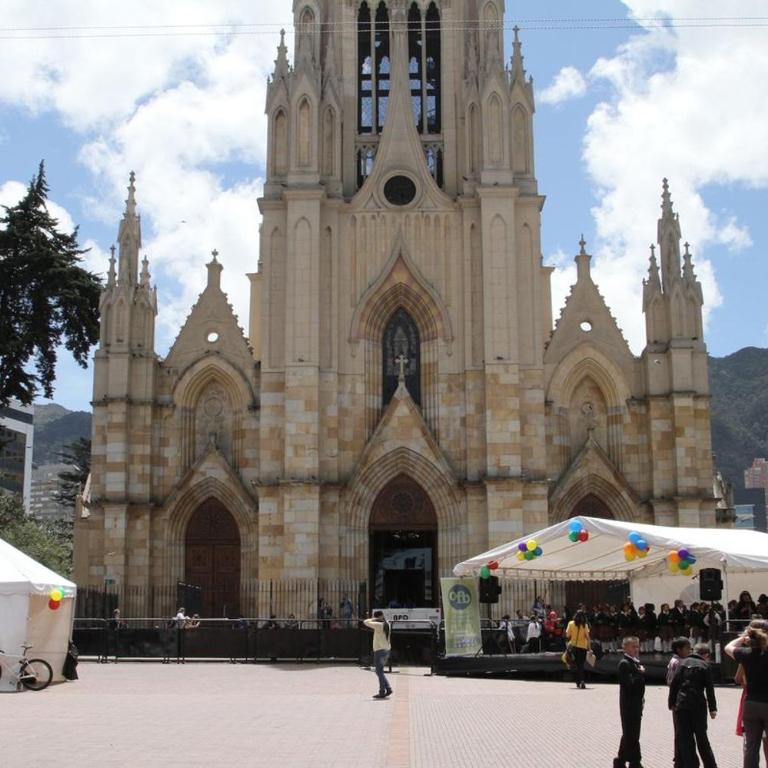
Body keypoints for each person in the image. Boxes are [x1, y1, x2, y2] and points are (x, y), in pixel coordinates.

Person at [668, 642, 718, 768]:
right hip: (698, 706)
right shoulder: (705, 665)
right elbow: (709, 689)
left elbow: (674, 684)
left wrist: (671, 702)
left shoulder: (682, 663)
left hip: (682, 705)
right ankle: (710, 765)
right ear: (706, 655)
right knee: (702, 739)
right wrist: (712, 708)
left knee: (686, 739)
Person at [725, 623, 768, 768]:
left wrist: (743, 638)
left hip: (750, 704)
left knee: (751, 746)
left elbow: (728, 647)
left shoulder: (746, 653)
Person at [614, 636, 646, 768]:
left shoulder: (635, 662)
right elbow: (628, 684)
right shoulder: (624, 664)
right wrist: (640, 673)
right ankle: (635, 761)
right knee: (631, 733)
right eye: (633, 646)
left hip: (636, 703)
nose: (636, 649)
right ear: (625, 648)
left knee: (631, 733)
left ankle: (621, 759)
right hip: (628, 705)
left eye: (637, 646)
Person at [667, 637, 692, 768]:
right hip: (679, 701)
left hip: (679, 700)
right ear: (679, 649)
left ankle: (680, 757)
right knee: (680, 731)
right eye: (687, 648)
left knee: (681, 730)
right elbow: (672, 682)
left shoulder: (678, 661)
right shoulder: (678, 663)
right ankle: (679, 759)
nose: (690, 650)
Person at [363, 610, 392, 699]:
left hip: (379, 650)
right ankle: (388, 688)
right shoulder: (387, 623)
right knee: (380, 671)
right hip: (387, 650)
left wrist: (374, 619)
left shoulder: (379, 625)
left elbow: (365, 622)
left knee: (379, 671)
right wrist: (379, 618)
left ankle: (382, 691)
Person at [565, 609, 591, 689]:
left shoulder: (571, 623)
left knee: (574, 665)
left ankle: (577, 682)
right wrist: (589, 648)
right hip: (583, 647)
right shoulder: (585, 625)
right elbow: (588, 638)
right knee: (581, 665)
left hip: (573, 647)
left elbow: (567, 635)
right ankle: (582, 680)